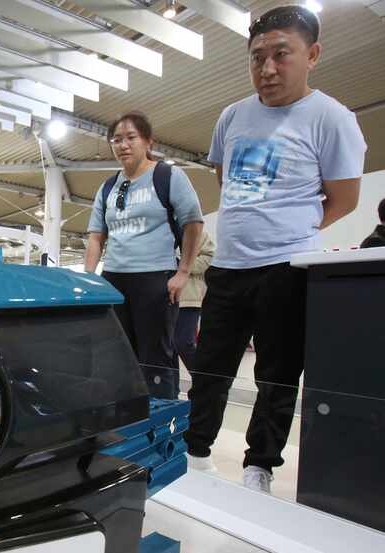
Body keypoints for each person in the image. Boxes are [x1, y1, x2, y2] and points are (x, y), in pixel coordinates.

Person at [184, 5, 367, 493]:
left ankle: (258, 467)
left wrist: (291, 229)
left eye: (281, 54)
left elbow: (345, 199)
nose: (267, 69)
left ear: (312, 54)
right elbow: (226, 181)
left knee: (278, 375)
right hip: (228, 267)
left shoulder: (331, 118)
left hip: (288, 268)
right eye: (257, 57)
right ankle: (195, 453)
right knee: (210, 371)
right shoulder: (232, 116)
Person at [85, 111, 205, 400]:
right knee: (118, 354)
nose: (123, 145)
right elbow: (96, 236)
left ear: (148, 141)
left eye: (130, 138)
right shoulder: (108, 187)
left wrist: (183, 272)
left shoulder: (168, 176)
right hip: (114, 279)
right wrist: (89, 280)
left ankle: (162, 422)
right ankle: (128, 417)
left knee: (157, 357)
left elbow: (193, 223)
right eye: (116, 139)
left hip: (155, 278)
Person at [175, 231, 215, 373]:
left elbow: (210, 258)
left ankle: (204, 383)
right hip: (159, 295)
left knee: (184, 343)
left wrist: (181, 264)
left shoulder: (198, 232)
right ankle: (169, 389)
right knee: (165, 346)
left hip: (188, 298)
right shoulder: (159, 227)